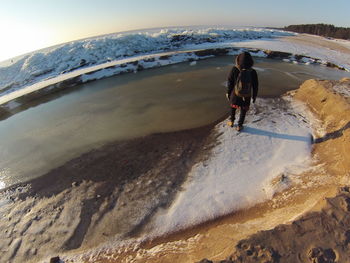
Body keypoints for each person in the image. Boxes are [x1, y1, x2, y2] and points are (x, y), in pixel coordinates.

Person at [226, 51, 259, 131]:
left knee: (232, 108)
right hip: (246, 96)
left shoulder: (234, 69)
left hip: (235, 94)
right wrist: (254, 96)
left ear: (238, 60)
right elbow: (255, 85)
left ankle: (231, 121)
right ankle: (239, 125)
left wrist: (228, 93)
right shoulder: (253, 72)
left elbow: (230, 82)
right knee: (243, 110)